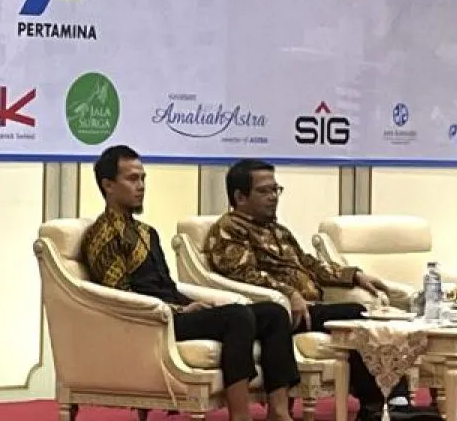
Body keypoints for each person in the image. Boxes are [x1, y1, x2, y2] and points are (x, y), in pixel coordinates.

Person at [81, 145, 300, 421]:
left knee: (273, 313)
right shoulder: (102, 236)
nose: (141, 186)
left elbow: (166, 286)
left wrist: (192, 304)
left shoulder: (147, 232)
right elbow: (121, 298)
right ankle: (240, 416)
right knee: (237, 316)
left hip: (174, 312)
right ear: (108, 185)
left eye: (143, 178)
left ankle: (279, 413)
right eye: (132, 179)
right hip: (151, 323)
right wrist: (179, 310)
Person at [204, 159, 412, 421]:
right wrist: (289, 293)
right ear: (240, 197)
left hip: (309, 307)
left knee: (365, 317)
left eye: (276, 190)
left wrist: (354, 275)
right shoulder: (229, 229)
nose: (273, 197)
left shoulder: (278, 230)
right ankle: (380, 402)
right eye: (264, 191)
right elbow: (242, 273)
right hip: (274, 313)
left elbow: (307, 264)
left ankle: (387, 401)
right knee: (356, 316)